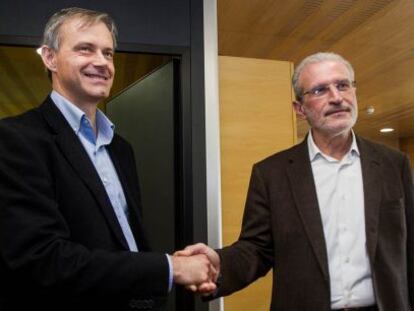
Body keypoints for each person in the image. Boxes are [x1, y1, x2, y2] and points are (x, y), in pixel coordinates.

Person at [0, 7, 216, 311]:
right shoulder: (15, 139)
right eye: (85, 49)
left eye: (108, 53)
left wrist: (166, 269)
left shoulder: (121, 148)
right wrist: (170, 269)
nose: (101, 62)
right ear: (50, 58)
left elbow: (126, 244)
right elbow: (42, 259)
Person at [179, 52, 414, 311]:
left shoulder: (394, 164)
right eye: (320, 90)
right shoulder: (272, 174)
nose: (337, 97)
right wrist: (219, 264)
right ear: (299, 109)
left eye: (343, 85)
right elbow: (256, 249)